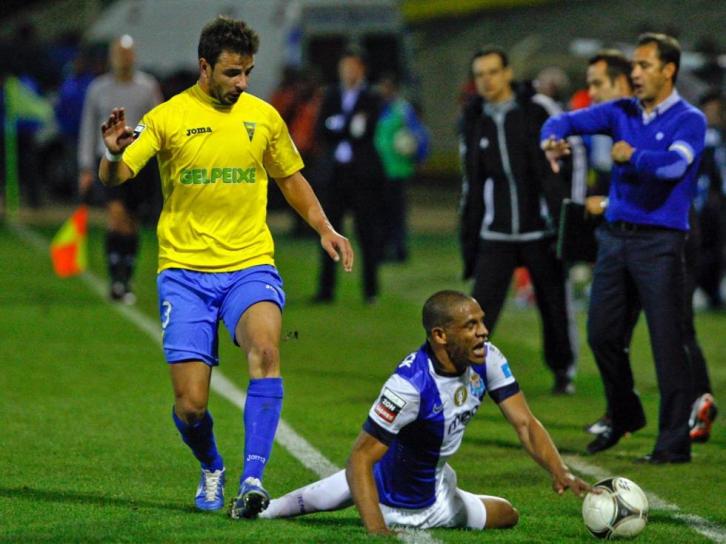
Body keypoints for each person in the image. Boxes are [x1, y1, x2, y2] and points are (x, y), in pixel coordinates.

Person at [96, 16, 353, 517]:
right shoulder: (168, 117)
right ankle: (211, 464)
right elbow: (119, 174)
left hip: (249, 264)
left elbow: (290, 178)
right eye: (233, 73)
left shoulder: (264, 117)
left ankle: (252, 478)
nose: (242, 83)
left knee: (266, 350)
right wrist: (109, 154)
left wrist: (324, 227)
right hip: (184, 273)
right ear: (205, 67)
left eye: (248, 72)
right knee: (191, 406)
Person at [260, 290, 590, 534]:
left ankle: (273, 507)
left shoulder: (487, 358)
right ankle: (265, 507)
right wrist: (377, 531)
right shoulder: (409, 386)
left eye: (481, 321)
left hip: (439, 492)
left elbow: (525, 423)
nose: (483, 332)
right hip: (393, 504)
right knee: (320, 494)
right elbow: (359, 458)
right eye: (471, 325)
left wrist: (560, 471)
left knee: (508, 515)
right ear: (440, 335)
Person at [542, 33, 707, 463]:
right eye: (634, 65)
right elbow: (567, 120)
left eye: (644, 65)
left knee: (667, 343)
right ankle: (625, 411)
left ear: (668, 70)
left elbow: (675, 166)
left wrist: (631, 155)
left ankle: (673, 444)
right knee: (601, 335)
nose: (635, 73)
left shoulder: (689, 119)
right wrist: (551, 138)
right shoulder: (621, 111)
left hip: (661, 244)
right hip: (615, 240)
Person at [581, 51, 719, 445]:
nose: (593, 94)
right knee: (609, 331)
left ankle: (694, 404)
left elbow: (665, 180)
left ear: (623, 84)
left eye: (599, 85)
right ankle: (623, 410)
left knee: (674, 327)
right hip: (626, 236)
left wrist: (609, 202)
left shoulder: (661, 118)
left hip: (668, 234)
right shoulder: (617, 122)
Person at [459, 46, 583, 396]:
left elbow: (572, 154)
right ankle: (465, 374)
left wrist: (568, 216)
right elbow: (471, 181)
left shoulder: (538, 108)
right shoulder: (473, 118)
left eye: (493, 72)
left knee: (554, 305)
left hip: (539, 230)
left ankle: (563, 371)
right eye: (480, 75)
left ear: (508, 73)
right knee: (477, 310)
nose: (486, 80)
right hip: (496, 232)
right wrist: (469, 230)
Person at [78, 35, 163, 303]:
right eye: (119, 53)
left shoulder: (147, 86)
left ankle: (126, 278)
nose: (124, 59)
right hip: (108, 160)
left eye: (127, 53)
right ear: (112, 57)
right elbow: (88, 126)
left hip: (138, 163)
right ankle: (116, 278)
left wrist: (144, 144)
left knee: (131, 223)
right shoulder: (98, 89)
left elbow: (158, 122)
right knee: (116, 216)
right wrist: (85, 167)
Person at [313, 47, 386, 304]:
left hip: (362, 175)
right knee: (329, 231)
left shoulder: (371, 97)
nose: (348, 72)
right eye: (344, 67)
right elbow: (322, 129)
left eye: (353, 67)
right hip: (335, 174)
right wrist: (348, 126)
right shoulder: (331, 95)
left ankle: (370, 291)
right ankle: (325, 290)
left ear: (362, 69)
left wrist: (338, 126)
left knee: (367, 233)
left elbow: (366, 131)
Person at [374, 72, 430, 262]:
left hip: (397, 170)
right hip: (379, 170)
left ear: (394, 89)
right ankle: (382, 250)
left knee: (396, 213)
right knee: (381, 213)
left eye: (387, 87)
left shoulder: (402, 109)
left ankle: (399, 250)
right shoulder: (379, 109)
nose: (384, 90)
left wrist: (420, 156)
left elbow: (420, 134)